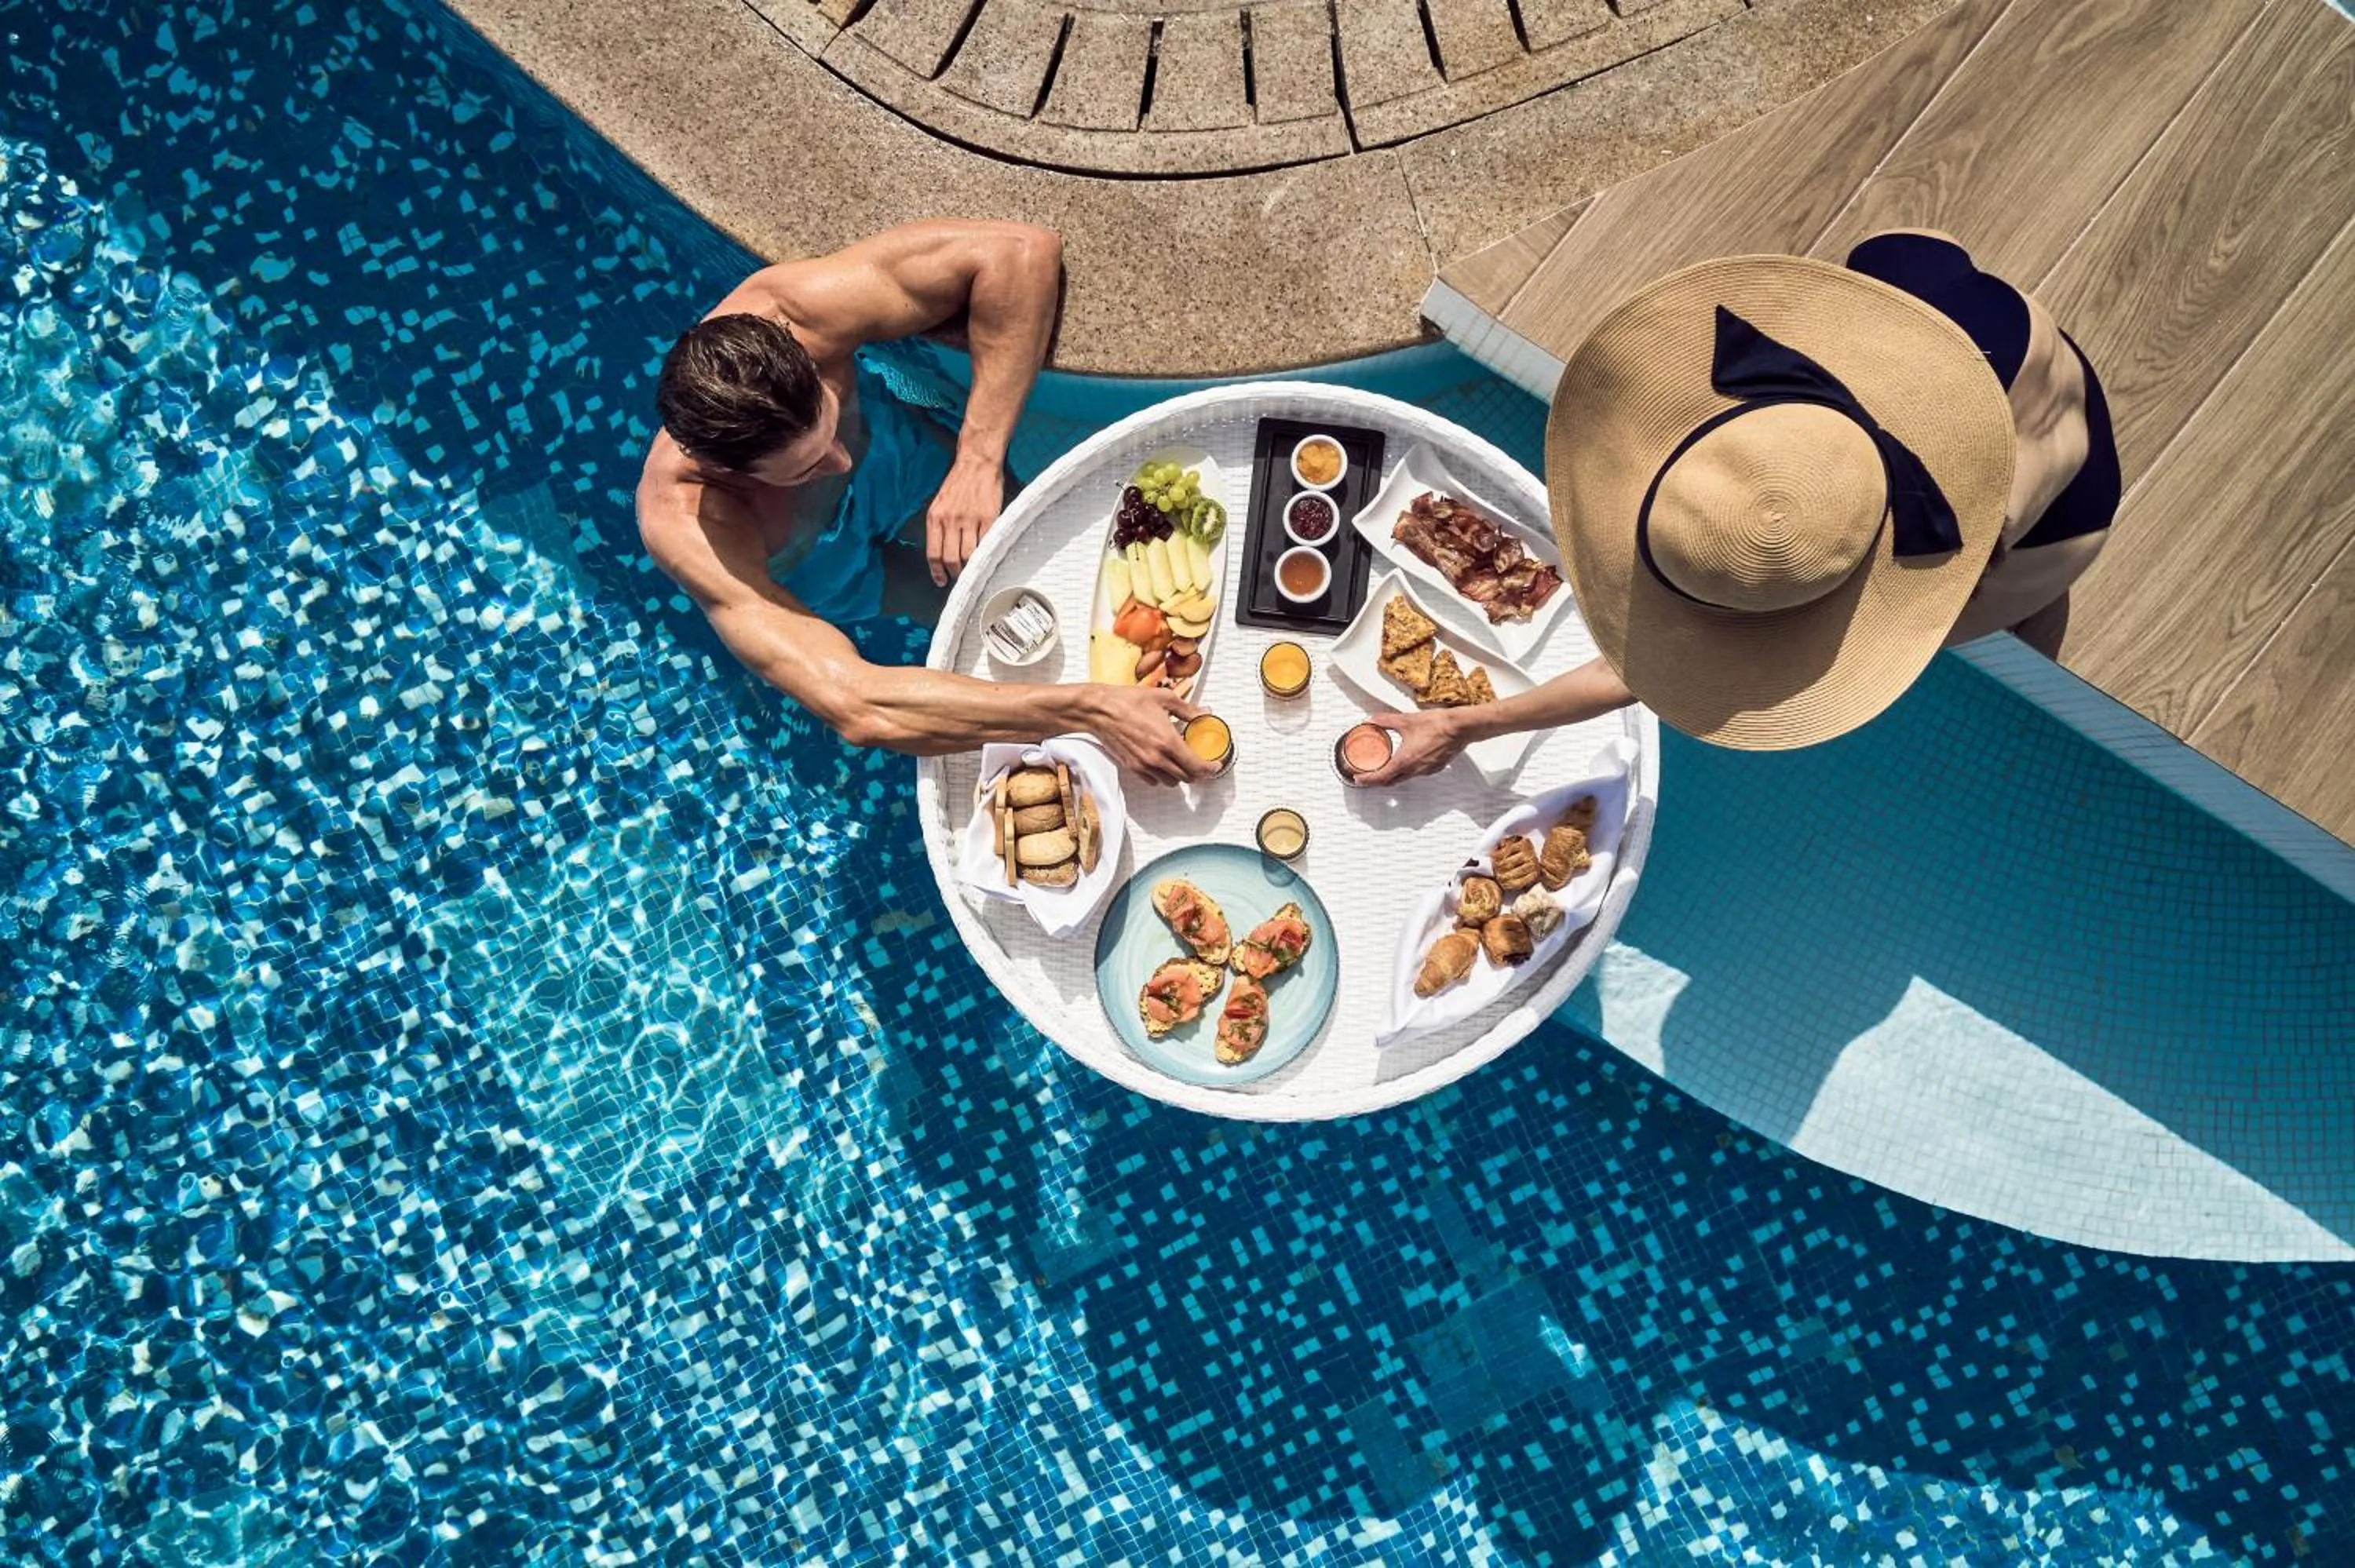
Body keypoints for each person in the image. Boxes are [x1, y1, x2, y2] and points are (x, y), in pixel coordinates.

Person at [1360, 231, 2119, 781]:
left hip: (2035, 524)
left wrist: (1468, 724)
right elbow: (1926, 254)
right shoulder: (1908, 291)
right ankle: (2030, 610)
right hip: (2015, 352)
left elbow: (1632, 677)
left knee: (2014, 577)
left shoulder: (1819, 563)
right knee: (2034, 577)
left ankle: (2022, 602)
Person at [635, 221, 1212, 784]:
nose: (837, 463)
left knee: (1027, 553)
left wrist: (977, 461)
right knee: (955, 616)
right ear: (725, 470)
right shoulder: (692, 521)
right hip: (813, 562)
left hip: (894, 458)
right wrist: (1086, 711)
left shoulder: (799, 311)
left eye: (832, 427)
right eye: (807, 467)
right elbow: (859, 707)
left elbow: (1019, 252)